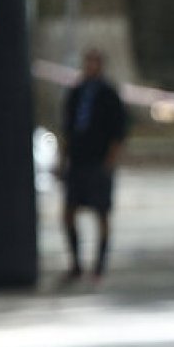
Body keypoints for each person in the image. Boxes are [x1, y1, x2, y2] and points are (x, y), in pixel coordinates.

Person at [61, 48, 128, 279]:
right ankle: (75, 262)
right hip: (78, 160)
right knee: (69, 212)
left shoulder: (109, 95)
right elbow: (68, 128)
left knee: (101, 213)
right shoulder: (76, 92)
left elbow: (118, 131)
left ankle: (100, 263)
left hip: (98, 160)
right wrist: (63, 158)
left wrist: (110, 160)